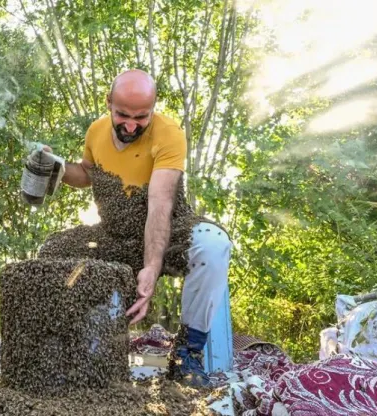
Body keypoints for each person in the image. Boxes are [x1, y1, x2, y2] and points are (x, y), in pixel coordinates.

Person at [37, 69, 232, 387]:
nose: (130, 125)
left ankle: (187, 355)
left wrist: (152, 266)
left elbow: (160, 203)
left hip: (171, 229)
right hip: (112, 234)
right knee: (52, 251)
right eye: (122, 115)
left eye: (141, 117)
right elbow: (86, 175)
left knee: (213, 244)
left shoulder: (169, 133)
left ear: (152, 109)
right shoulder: (96, 131)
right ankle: (70, 350)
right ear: (109, 102)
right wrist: (56, 167)